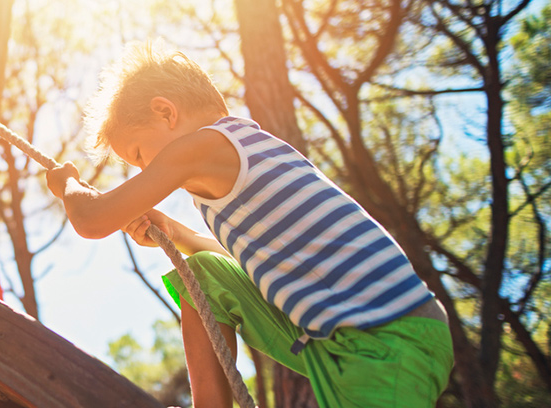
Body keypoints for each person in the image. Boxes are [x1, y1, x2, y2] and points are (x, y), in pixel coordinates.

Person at [45, 40, 453, 407]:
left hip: (386, 335)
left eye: (138, 155)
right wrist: (179, 233)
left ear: (165, 112)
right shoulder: (240, 158)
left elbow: (92, 219)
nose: (144, 170)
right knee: (201, 274)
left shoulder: (205, 144)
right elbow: (249, 269)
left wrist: (68, 185)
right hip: (335, 338)